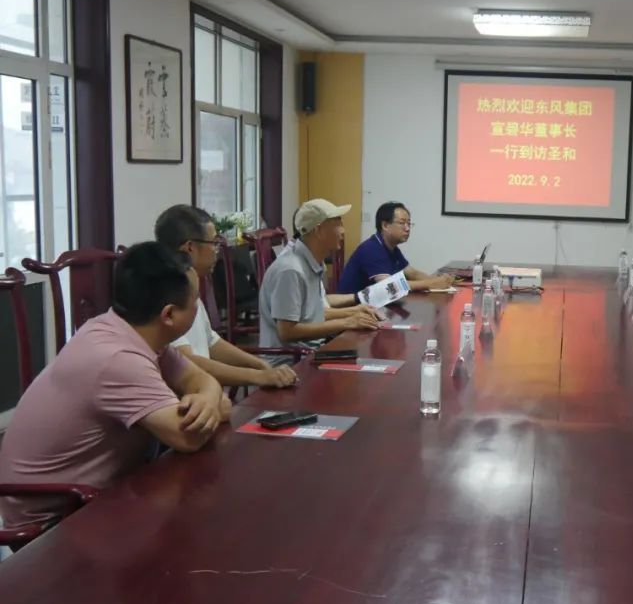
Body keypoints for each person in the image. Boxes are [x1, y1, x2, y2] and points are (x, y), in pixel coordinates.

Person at [0, 243, 229, 529]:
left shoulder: (128, 330)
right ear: (169, 315)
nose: (199, 306)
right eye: (196, 300)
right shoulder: (117, 359)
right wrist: (212, 400)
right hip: (51, 522)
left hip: (91, 496)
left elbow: (199, 381)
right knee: (200, 524)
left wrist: (207, 397)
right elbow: (188, 437)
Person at [155, 205, 298, 388]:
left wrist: (261, 365)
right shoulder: (165, 297)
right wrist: (257, 376)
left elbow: (211, 341)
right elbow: (186, 362)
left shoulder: (189, 285)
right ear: (190, 248)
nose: (217, 250)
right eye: (213, 243)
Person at [259, 198, 380, 363]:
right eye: (338, 223)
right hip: (290, 363)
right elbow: (287, 332)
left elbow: (312, 313)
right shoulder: (290, 270)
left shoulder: (313, 261)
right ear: (319, 230)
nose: (343, 231)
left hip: (312, 351)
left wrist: (355, 312)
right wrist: (347, 322)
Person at [338, 202, 454, 294]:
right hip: (352, 310)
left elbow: (412, 273)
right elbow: (390, 286)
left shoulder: (391, 248)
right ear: (385, 225)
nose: (407, 228)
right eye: (402, 223)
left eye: (409, 223)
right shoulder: (370, 249)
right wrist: (430, 284)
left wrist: (439, 282)